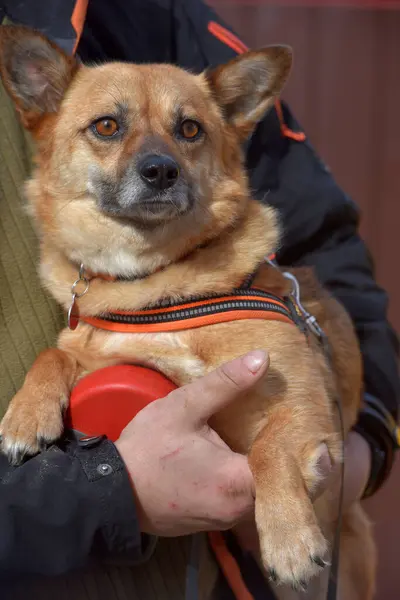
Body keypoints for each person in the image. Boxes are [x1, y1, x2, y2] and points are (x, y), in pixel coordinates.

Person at [0, 0, 398, 598]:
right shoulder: (84, 293)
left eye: (187, 132)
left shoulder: (155, 16)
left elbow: (332, 254)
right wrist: (109, 492)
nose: (158, 160)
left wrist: (364, 448)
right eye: (108, 128)